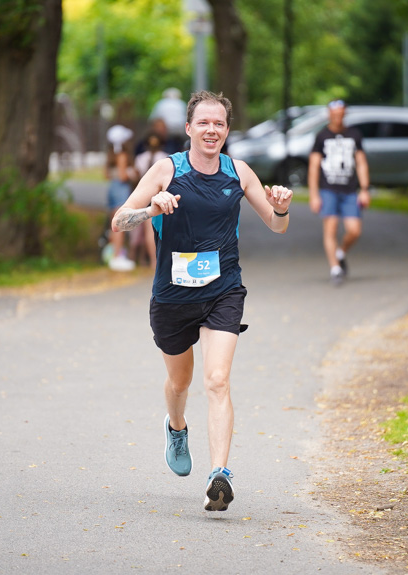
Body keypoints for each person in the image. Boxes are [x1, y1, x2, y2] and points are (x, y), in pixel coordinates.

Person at [111, 90, 293, 512]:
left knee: (217, 380)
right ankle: (176, 427)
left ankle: (220, 474)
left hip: (222, 291)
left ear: (227, 131)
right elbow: (120, 220)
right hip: (172, 298)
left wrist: (281, 209)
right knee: (181, 382)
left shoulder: (239, 172)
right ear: (189, 128)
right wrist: (150, 211)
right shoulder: (165, 170)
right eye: (204, 123)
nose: (212, 130)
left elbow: (276, 225)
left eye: (220, 124)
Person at [307, 99, 370, 284]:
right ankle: (335, 268)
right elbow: (313, 167)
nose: (337, 117)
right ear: (329, 115)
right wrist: (314, 194)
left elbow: (361, 163)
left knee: (354, 230)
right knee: (331, 229)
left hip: (350, 190)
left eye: (340, 113)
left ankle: (340, 252)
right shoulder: (321, 137)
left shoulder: (354, 135)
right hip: (328, 190)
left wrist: (365, 189)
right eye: (334, 114)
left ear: (345, 114)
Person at [129, 131, 167, 269]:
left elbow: (135, 177)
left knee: (146, 230)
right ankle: (152, 260)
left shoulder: (140, 158)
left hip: (146, 196)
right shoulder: (165, 159)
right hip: (159, 196)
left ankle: (148, 260)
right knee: (153, 230)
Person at [104, 124, 136, 272]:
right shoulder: (122, 155)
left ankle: (113, 254)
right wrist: (131, 173)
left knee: (113, 222)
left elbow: (106, 174)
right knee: (120, 224)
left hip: (112, 187)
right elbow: (123, 176)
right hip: (121, 189)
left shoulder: (110, 155)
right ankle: (118, 256)